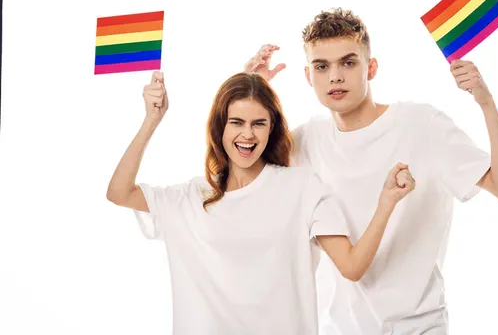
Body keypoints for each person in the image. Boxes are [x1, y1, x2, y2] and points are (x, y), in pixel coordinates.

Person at [243, 8, 498, 335]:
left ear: (371, 68)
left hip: (419, 328)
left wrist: (485, 101)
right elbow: (243, 190)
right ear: (309, 76)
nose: (335, 76)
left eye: (348, 63)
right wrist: (254, 89)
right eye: (322, 66)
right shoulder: (306, 142)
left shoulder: (421, 125)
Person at [106, 70, 416, 335]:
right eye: (236, 122)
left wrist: (387, 202)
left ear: (272, 128)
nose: (247, 134)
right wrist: (152, 120)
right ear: (220, 127)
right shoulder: (191, 196)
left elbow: (351, 267)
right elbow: (119, 192)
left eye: (259, 123)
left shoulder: (301, 187)